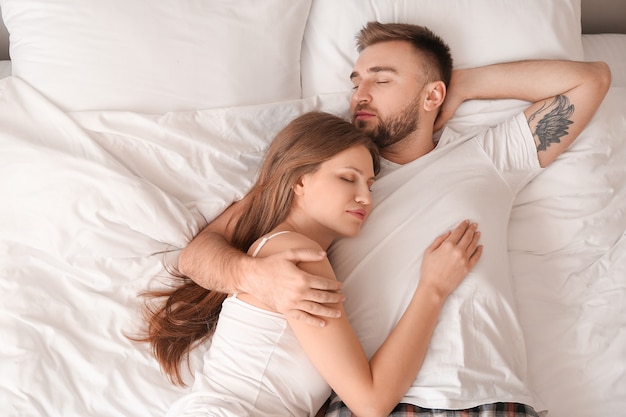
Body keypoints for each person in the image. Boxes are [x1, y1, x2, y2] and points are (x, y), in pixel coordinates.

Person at [178, 22, 611, 416]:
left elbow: (591, 80)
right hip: (375, 399)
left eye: (381, 79)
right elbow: (197, 256)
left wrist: (460, 86)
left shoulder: (487, 156)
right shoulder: (326, 176)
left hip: (491, 395)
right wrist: (256, 277)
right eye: (356, 81)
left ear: (431, 95)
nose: (359, 94)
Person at [136, 111, 483, 417]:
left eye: (370, 184)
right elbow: (371, 402)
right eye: (348, 178)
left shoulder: (289, 251)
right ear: (299, 181)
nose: (365, 196)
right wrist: (433, 289)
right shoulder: (295, 255)